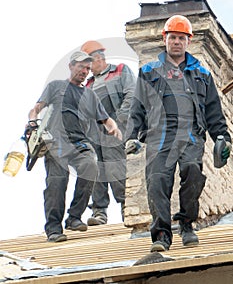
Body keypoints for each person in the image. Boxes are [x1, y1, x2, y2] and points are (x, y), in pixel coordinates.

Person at [126, 15, 232, 252]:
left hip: (191, 134)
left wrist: (223, 137)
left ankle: (186, 223)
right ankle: (161, 235)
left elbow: (214, 110)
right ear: (165, 39)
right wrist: (132, 135)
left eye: (181, 38)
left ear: (188, 41)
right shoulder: (149, 72)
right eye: (172, 37)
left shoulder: (202, 74)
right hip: (159, 135)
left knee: (193, 173)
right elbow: (138, 107)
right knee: (157, 182)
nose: (176, 42)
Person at [27, 50, 122, 242]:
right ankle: (54, 229)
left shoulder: (90, 95)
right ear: (71, 66)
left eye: (87, 68)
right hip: (56, 143)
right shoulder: (56, 87)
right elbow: (36, 109)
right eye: (80, 67)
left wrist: (114, 128)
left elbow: (105, 119)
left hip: (80, 143)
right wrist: (32, 122)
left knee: (91, 166)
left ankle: (74, 217)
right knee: (56, 184)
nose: (84, 71)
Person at [77, 40, 137, 226]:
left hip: (115, 130)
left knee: (115, 168)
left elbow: (132, 94)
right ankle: (99, 212)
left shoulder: (120, 70)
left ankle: (127, 209)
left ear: (97, 58)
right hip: (94, 134)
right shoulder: (87, 86)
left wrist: (118, 121)